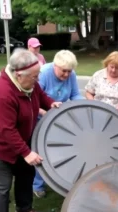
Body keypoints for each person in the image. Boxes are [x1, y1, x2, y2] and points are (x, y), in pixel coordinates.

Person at [0, 48, 61, 212]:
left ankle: (24, 208)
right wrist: (26, 152)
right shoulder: (3, 93)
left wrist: (51, 104)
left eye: (37, 75)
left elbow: (40, 95)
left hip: (21, 140)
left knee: (26, 174)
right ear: (18, 74)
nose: (37, 79)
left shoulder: (29, 83)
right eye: (34, 76)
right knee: (2, 184)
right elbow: (6, 130)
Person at [33, 50, 83, 197]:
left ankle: (61, 179)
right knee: (41, 152)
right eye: (63, 71)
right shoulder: (43, 74)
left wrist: (85, 106)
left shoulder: (71, 75)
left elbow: (75, 95)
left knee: (61, 150)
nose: (67, 75)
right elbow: (32, 100)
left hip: (60, 118)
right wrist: (44, 113)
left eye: (69, 71)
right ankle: (38, 184)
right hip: (40, 118)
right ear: (55, 65)